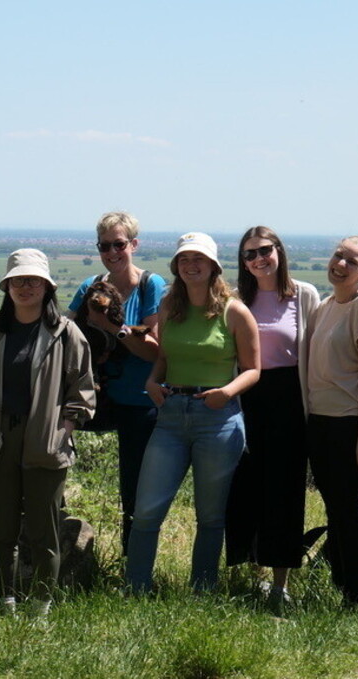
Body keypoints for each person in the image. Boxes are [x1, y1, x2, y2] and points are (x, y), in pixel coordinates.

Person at [126, 232, 260, 594]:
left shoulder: (235, 311)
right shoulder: (171, 306)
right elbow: (165, 358)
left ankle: (203, 588)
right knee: (147, 509)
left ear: (214, 265)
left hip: (217, 417)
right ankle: (136, 586)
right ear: (177, 267)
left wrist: (226, 393)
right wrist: (153, 382)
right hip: (170, 415)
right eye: (184, 260)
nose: (191, 265)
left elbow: (253, 369)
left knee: (210, 515)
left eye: (198, 259)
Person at [0, 249, 96, 614]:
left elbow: (82, 389)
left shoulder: (65, 333)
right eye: (18, 280)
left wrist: (63, 429)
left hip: (46, 440)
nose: (25, 287)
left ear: (46, 286)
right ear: (7, 286)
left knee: (44, 531)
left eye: (33, 280)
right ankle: (4, 600)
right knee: (2, 529)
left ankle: (40, 605)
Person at [225, 226, 321, 609]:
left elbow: (314, 353)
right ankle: (249, 577)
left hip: (289, 401)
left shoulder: (305, 294)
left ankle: (281, 583)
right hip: (244, 398)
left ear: (279, 251)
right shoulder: (235, 298)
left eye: (264, 250)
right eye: (249, 255)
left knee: (284, 491)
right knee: (243, 488)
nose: (257, 259)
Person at [67, 211, 166, 553]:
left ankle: (134, 563)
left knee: (135, 489)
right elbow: (64, 332)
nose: (112, 252)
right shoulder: (91, 286)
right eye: (105, 245)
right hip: (101, 397)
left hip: (140, 400)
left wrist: (112, 329)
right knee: (48, 438)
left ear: (134, 245)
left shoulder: (151, 285)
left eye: (119, 244)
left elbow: (154, 350)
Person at [305, 236, 358, 606]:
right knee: (336, 509)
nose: (340, 264)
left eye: (351, 261)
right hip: (322, 422)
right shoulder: (324, 307)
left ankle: (354, 596)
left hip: (352, 422)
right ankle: (342, 586)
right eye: (338, 255)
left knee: (346, 509)